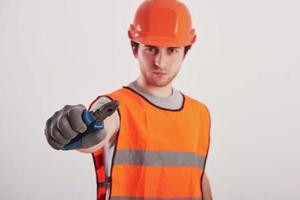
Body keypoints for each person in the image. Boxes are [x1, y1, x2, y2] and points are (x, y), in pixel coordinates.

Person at [45, 0, 213, 199]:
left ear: (185, 52)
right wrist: (74, 129)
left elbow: (197, 175)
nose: (160, 61)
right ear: (134, 49)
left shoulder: (200, 113)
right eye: (150, 48)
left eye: (171, 50)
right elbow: (98, 132)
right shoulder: (117, 106)